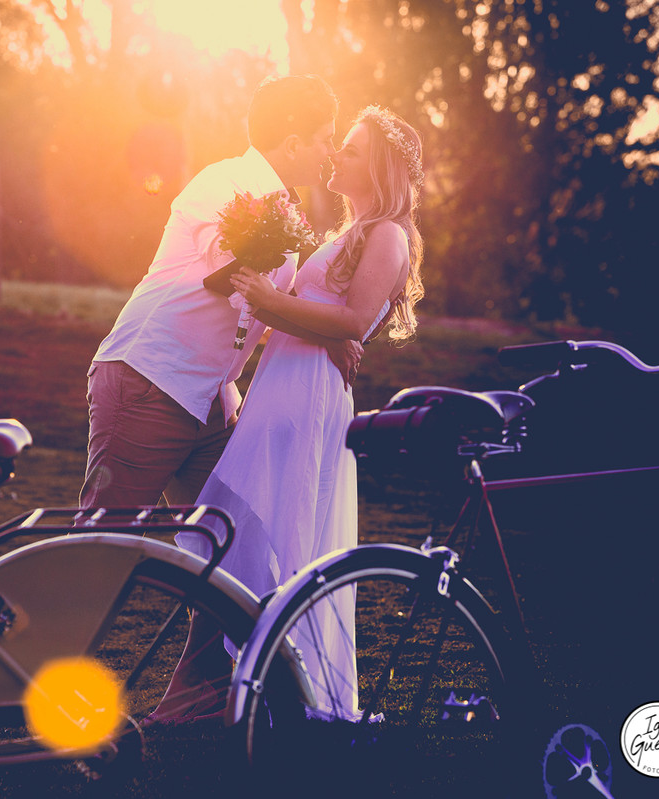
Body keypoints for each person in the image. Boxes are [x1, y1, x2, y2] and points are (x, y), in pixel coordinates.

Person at [181, 105, 426, 722]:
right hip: (280, 385)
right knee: (244, 520)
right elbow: (319, 316)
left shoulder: (388, 234)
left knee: (288, 530)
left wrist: (274, 301)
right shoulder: (348, 231)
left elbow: (351, 321)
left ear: (377, 165)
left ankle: (291, 688)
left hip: (309, 395)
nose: (335, 156)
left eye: (349, 148)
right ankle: (265, 675)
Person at [81, 74, 360, 513]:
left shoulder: (283, 208)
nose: (331, 151)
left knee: (225, 546)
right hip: (152, 380)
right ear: (291, 144)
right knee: (103, 542)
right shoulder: (224, 183)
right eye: (326, 138)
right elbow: (234, 278)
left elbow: (258, 310)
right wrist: (329, 334)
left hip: (209, 401)